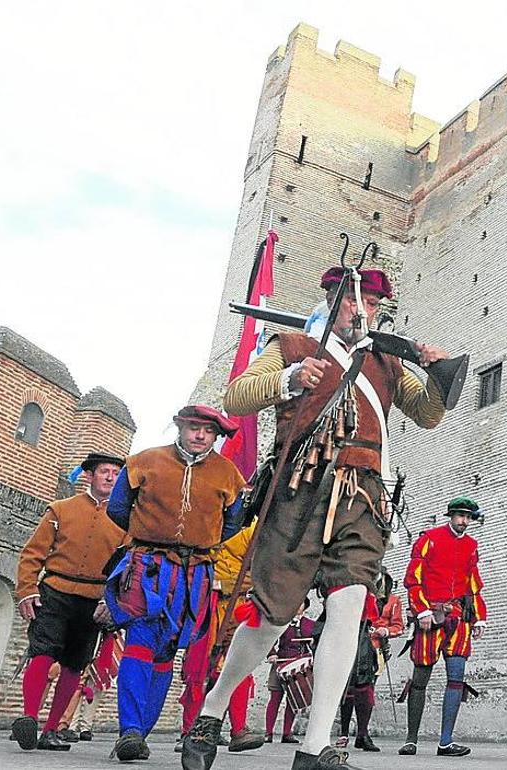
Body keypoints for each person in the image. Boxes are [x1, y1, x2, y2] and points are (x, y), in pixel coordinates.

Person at [182, 265, 448, 770]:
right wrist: (289, 379)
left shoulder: (386, 362)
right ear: (330, 298)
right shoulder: (293, 346)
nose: (361, 310)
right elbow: (237, 396)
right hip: (299, 494)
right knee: (271, 616)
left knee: (349, 609)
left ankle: (315, 744)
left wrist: (437, 372)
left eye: (371, 304)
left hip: (363, 499)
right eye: (352, 300)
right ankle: (212, 709)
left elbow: (428, 414)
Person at [104, 406, 247, 761]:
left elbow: (233, 523)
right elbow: (118, 509)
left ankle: (141, 732)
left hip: (194, 573)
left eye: (208, 431)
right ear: (180, 428)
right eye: (193, 427)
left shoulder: (228, 475)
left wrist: (201, 540)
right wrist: (150, 534)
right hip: (148, 566)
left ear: (216, 436)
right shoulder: (143, 462)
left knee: (167, 649)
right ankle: (129, 730)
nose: (200, 435)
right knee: (139, 641)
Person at [12, 452, 128, 751]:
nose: (110, 477)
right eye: (104, 471)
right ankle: (28, 718)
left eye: (116, 473)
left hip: (93, 600)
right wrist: (27, 590)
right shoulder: (60, 509)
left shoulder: (127, 523)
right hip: (55, 591)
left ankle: (52, 729)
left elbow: (126, 568)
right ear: (89, 475)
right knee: (42, 651)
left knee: (75, 664)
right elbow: (32, 554)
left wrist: (113, 603)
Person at [398, 496, 487, 758]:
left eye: (468, 517)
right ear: (451, 515)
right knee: (420, 679)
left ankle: (446, 742)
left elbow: (474, 584)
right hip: (431, 615)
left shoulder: (471, 545)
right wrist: (422, 610)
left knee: (456, 678)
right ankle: (411, 740)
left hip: (459, 619)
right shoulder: (429, 539)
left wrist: (480, 617)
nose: (464, 521)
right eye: (460, 516)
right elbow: (413, 579)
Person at [177, 522, 265, 753]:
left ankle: (238, 730)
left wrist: (230, 583)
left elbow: (263, 571)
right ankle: (190, 730)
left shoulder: (254, 530)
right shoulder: (207, 522)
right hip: (206, 607)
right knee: (199, 668)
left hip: (238, 606)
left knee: (239, 667)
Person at [338, 569, 404, 750]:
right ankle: (344, 733)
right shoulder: (358, 595)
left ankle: (362, 733)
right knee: (347, 689)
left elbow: (399, 626)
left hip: (375, 649)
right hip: (353, 645)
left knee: (366, 690)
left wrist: (386, 631)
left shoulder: (393, 601)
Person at [265, 598, 315, 743]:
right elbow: (270, 639)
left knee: (293, 701)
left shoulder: (310, 624)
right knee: (275, 698)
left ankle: (287, 733)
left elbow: (317, 643)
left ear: (305, 606)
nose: (298, 605)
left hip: (299, 666)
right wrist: (272, 654)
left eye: (301, 603)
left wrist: (313, 643)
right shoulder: (282, 622)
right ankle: (268, 732)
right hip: (281, 663)